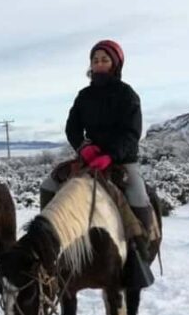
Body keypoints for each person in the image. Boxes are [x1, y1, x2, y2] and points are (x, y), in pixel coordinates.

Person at [40, 39, 158, 288]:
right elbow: (72, 127)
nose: (99, 64)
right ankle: (48, 243)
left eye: (105, 59)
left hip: (121, 161)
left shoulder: (127, 95)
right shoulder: (84, 96)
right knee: (49, 184)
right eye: (95, 60)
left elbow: (131, 132)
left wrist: (110, 155)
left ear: (115, 63)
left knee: (137, 195)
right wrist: (84, 147)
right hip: (88, 158)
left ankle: (140, 254)